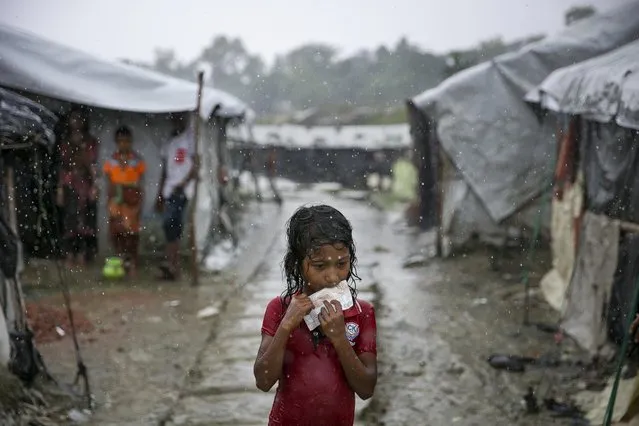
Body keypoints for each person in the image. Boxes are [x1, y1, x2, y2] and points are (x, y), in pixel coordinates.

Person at [254, 204, 378, 426]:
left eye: (342, 263)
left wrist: (340, 339)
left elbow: (366, 388)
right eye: (320, 266)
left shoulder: (362, 313)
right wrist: (285, 327)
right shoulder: (280, 309)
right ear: (296, 265)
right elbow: (263, 380)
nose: (332, 277)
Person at [155, 113, 197, 280]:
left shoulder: (190, 139)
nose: (176, 121)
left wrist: (184, 183)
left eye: (180, 118)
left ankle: (174, 264)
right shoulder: (169, 142)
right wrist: (160, 193)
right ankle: (171, 264)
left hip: (181, 190)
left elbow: (196, 165)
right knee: (169, 227)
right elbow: (165, 170)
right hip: (169, 190)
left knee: (172, 224)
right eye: (174, 118)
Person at [103, 126, 146, 276]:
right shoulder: (111, 161)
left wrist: (139, 201)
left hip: (132, 196)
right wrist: (110, 199)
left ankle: (132, 260)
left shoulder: (137, 160)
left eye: (126, 141)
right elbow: (109, 181)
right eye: (120, 141)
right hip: (116, 197)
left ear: (131, 142)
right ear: (116, 142)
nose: (124, 144)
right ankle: (120, 259)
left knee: (131, 231)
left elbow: (140, 182)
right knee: (116, 230)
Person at [56, 128, 98, 268]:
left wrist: (93, 188)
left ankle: (82, 255)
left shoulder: (87, 160)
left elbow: (93, 176)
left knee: (84, 226)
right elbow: (62, 178)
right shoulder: (66, 163)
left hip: (84, 194)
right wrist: (61, 191)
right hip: (71, 193)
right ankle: (69, 255)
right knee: (70, 224)